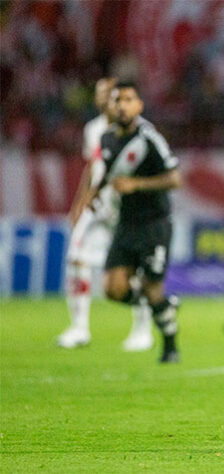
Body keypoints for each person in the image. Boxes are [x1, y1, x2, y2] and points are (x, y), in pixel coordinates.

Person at [57, 78, 153, 351]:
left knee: (133, 272)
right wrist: (79, 203)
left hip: (130, 209)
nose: (103, 100)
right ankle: (79, 328)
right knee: (76, 258)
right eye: (99, 94)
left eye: (108, 95)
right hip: (99, 206)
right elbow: (92, 168)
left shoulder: (143, 131)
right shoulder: (94, 129)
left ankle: (142, 328)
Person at [96, 81, 182, 363]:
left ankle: (170, 346)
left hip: (154, 225)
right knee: (112, 289)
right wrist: (95, 194)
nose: (122, 105)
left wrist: (137, 184)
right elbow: (109, 174)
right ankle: (164, 307)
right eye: (117, 100)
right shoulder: (106, 139)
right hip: (125, 224)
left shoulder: (149, 138)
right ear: (110, 105)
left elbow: (175, 178)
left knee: (151, 287)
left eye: (128, 99)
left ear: (139, 106)